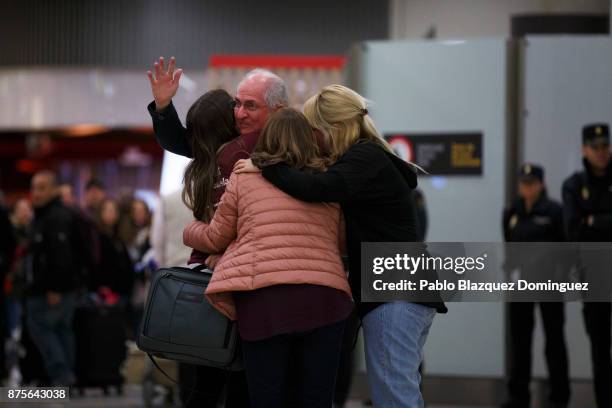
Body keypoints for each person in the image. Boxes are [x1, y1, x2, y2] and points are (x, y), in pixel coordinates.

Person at [235, 84, 447, 407]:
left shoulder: (364, 156)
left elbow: (318, 187)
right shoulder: (372, 158)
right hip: (400, 289)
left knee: (394, 395)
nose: (312, 141)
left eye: (314, 132)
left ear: (332, 128)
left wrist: (268, 164)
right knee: (398, 391)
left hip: (393, 291)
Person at [183, 108, 353, 408]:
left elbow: (215, 237)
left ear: (267, 138)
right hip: (325, 300)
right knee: (316, 399)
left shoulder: (245, 176)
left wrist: (190, 230)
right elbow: (342, 242)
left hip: (264, 301)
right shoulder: (329, 180)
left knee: (266, 398)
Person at [147, 56, 288, 407]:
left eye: (248, 105)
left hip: (215, 273)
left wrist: (193, 233)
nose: (241, 112)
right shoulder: (243, 154)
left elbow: (217, 235)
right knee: (238, 374)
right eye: (238, 105)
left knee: (208, 375)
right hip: (247, 281)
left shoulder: (226, 158)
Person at [502, 164, 570, 408]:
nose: (526, 187)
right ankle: (518, 396)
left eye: (531, 183)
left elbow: (565, 248)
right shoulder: (512, 212)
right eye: (523, 182)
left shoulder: (553, 211)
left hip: (549, 282)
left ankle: (559, 397)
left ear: (541, 184)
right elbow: (509, 245)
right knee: (520, 341)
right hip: (520, 283)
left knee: (554, 340)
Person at [561, 123, 612, 408]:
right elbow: (573, 229)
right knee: (600, 345)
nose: (601, 152)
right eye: (595, 147)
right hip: (594, 274)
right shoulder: (574, 185)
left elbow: (586, 225)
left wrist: (594, 220)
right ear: (584, 149)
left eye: (605, 146)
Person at [25, 171, 79, 386]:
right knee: (61, 330)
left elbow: (61, 255)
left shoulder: (55, 217)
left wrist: (55, 288)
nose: (36, 193)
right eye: (34, 187)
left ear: (55, 189)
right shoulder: (43, 215)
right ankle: (66, 380)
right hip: (53, 288)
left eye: (42, 187)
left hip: (51, 290)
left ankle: (61, 378)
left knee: (43, 328)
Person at [90, 199, 134, 301]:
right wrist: (102, 285)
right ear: (101, 213)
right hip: (105, 291)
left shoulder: (118, 236)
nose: (112, 214)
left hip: (120, 291)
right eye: (108, 211)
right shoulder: (96, 237)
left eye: (114, 211)